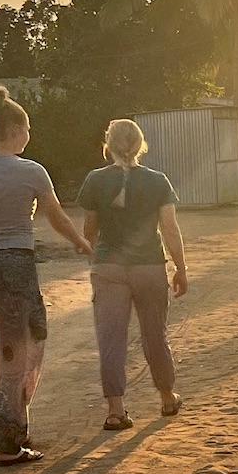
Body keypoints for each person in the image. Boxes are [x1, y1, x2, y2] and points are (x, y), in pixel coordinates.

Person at [0, 85, 92, 467]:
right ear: (13, 130)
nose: (29, 137)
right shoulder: (30, 171)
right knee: (21, 350)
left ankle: (7, 425)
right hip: (14, 265)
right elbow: (56, 216)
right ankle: (8, 441)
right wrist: (81, 241)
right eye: (27, 129)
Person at [77, 119, 187, 430]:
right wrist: (180, 267)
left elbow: (89, 230)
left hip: (109, 267)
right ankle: (167, 397)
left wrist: (96, 259)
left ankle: (116, 410)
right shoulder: (158, 181)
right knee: (155, 334)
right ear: (140, 145)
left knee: (111, 338)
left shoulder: (95, 180)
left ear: (108, 145)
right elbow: (169, 229)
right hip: (149, 267)